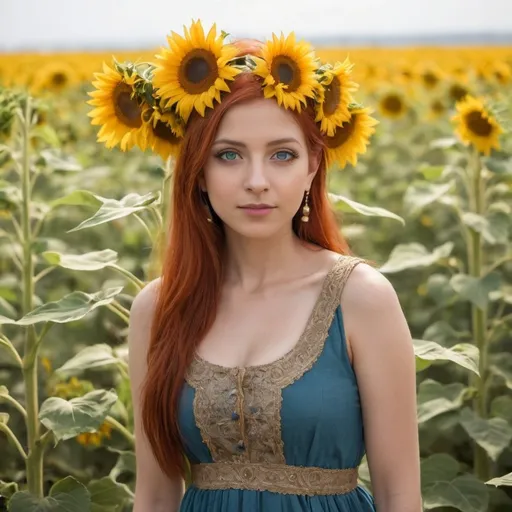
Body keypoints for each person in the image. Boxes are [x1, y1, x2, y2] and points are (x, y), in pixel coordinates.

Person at [114, 20, 422, 512]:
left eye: (282, 155)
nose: (257, 181)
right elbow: (153, 494)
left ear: (313, 166)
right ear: (197, 171)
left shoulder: (361, 297)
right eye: (229, 155)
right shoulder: (158, 308)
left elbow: (400, 494)